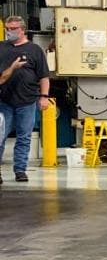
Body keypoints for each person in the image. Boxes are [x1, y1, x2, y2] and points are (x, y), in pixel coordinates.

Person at [0, 16, 50, 183]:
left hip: (27, 101)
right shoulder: (1, 48)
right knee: (0, 136)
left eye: (13, 29)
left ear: (22, 29)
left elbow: (43, 77)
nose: (9, 32)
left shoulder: (35, 50)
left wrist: (44, 97)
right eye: (7, 28)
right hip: (4, 101)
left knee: (24, 137)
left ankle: (20, 170)